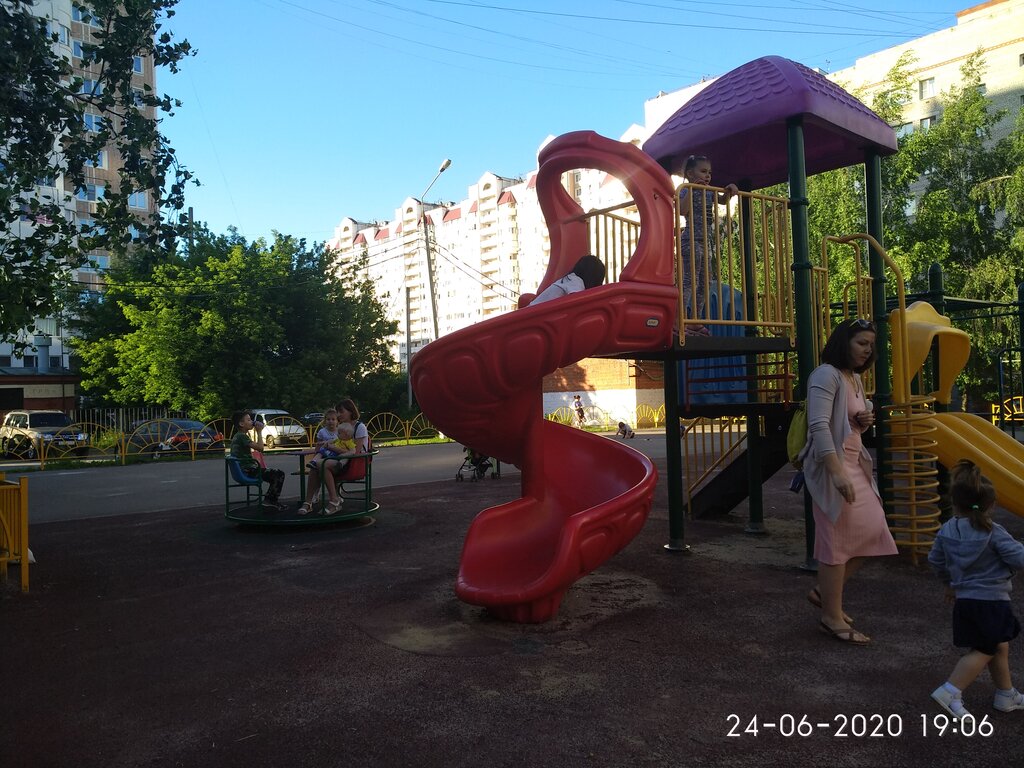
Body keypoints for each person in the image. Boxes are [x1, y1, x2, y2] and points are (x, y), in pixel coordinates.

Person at [798, 318, 897, 645]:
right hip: (833, 468)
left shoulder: (852, 377)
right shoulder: (825, 375)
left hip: (854, 463)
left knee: (874, 532)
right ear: (844, 342)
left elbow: (848, 422)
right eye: (861, 343)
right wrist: (837, 472)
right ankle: (831, 616)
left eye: (871, 344)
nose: (867, 350)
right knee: (835, 544)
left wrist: (863, 420)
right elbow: (819, 426)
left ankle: (823, 592)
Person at [928, 459, 1024, 719]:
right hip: (992, 602)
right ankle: (951, 690)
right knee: (985, 649)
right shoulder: (993, 531)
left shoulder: (947, 529)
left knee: (998, 645)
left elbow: (935, 559)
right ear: (991, 505)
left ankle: (1006, 694)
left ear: (954, 502)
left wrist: (949, 583)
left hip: (966, 602)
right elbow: (1019, 558)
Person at [677, 155, 737, 336]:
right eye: (703, 172)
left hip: (705, 242)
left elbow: (722, 200)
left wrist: (729, 190)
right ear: (689, 173)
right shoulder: (685, 189)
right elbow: (682, 210)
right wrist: (693, 189)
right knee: (689, 280)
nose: (708, 176)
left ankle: (695, 320)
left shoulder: (709, 191)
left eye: (709, 172)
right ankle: (680, 319)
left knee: (705, 282)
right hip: (690, 240)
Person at [300, 397, 368, 516]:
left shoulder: (359, 427)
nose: (339, 414)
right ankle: (308, 502)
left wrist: (332, 448)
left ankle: (334, 500)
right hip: (341, 458)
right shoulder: (342, 427)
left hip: (353, 462)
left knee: (321, 463)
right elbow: (338, 443)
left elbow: (355, 452)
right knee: (315, 466)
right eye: (338, 412)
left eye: (341, 411)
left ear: (350, 411)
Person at [229, 410, 285, 511]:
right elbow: (260, 448)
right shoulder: (242, 436)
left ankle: (271, 501)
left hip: (245, 469)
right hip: (249, 470)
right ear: (241, 424)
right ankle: (270, 501)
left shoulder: (238, 436)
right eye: (249, 420)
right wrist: (259, 432)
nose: (252, 422)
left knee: (273, 475)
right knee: (279, 474)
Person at [528, 254, 606, 306]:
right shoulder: (576, 281)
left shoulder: (569, 279)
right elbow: (578, 303)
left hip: (532, 311)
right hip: (532, 316)